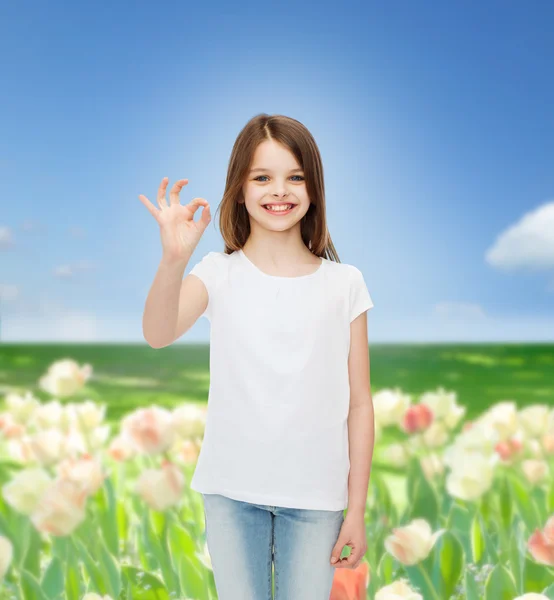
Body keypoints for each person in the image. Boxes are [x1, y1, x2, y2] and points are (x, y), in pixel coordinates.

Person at [140, 113, 375, 600]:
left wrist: (356, 509)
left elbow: (359, 404)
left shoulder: (344, 283)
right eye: (262, 177)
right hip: (230, 493)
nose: (279, 191)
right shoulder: (217, 273)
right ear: (240, 189)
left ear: (313, 188)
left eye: (295, 177)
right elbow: (158, 333)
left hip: (317, 499)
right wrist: (173, 259)